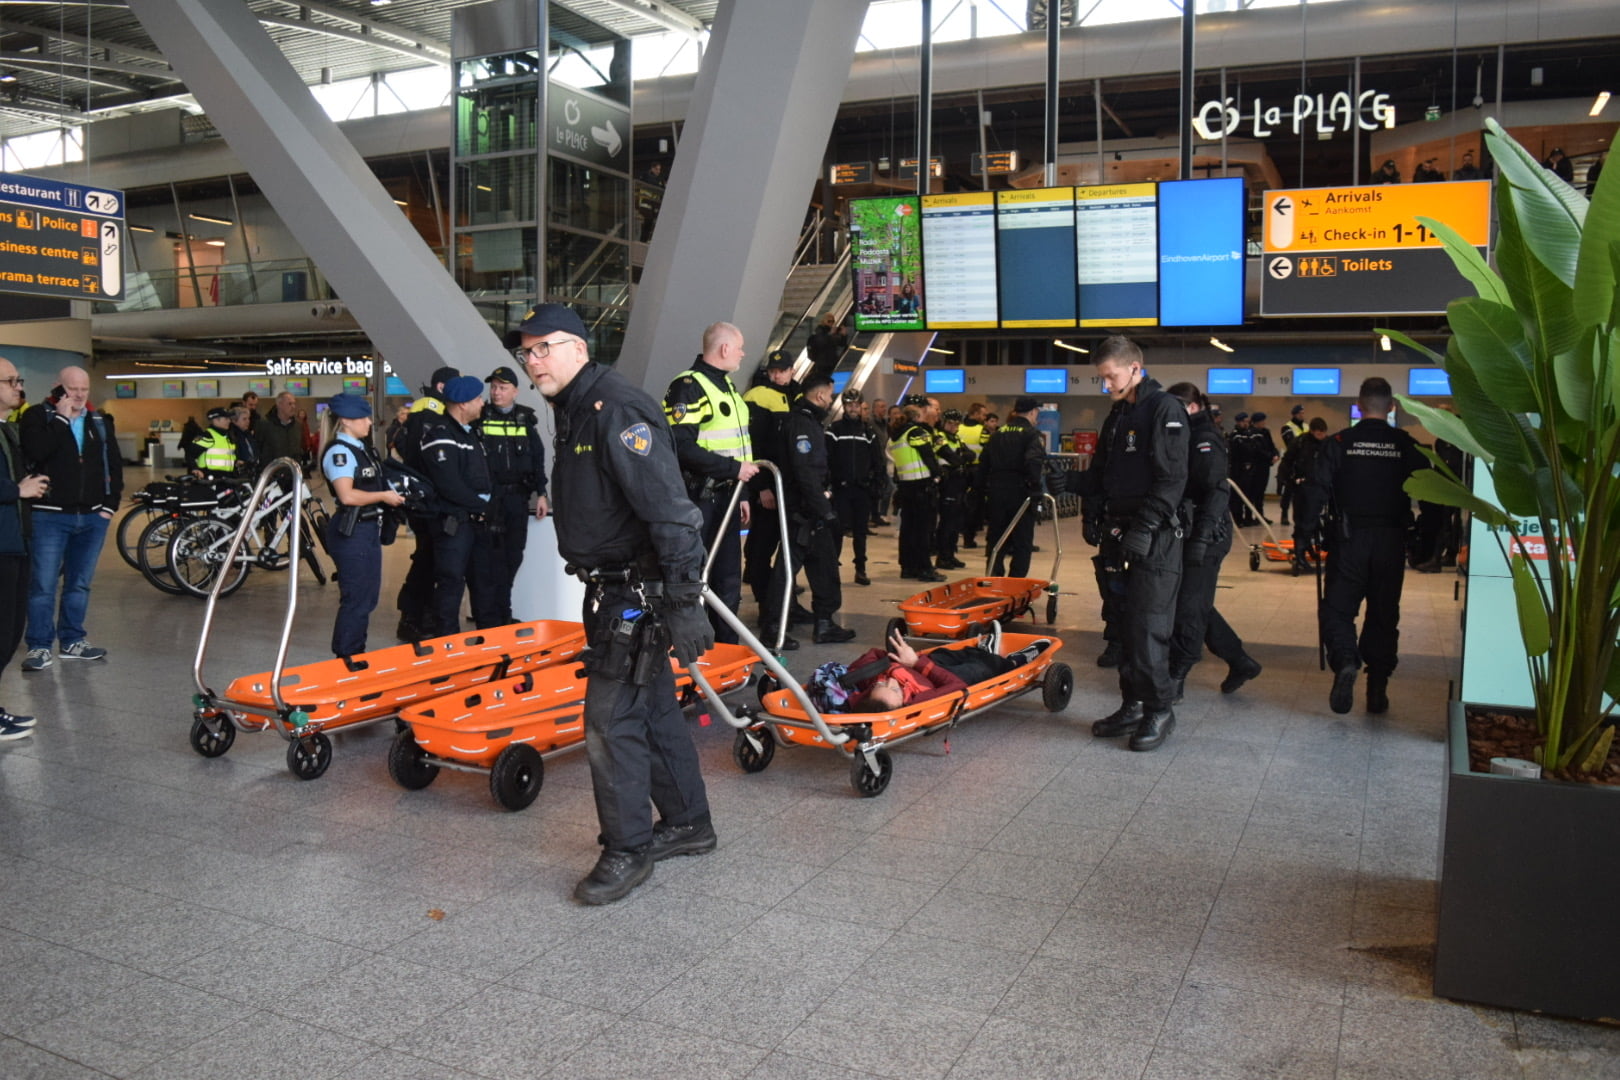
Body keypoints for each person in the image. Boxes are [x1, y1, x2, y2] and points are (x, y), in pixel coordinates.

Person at [517, 302, 716, 906]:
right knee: (651, 711)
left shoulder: (615, 408)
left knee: (607, 723)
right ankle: (688, 823)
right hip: (610, 588)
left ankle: (628, 849)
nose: (532, 360)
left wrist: (684, 599)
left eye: (544, 347)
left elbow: (671, 508)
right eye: (525, 352)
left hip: (637, 595)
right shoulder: (575, 410)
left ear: (578, 347)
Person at [1065, 336, 1188, 752]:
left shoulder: (1164, 409)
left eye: (1110, 377)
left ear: (1135, 368)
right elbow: (1102, 472)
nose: (1105, 385)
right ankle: (1132, 704)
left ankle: (1159, 710)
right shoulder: (1118, 413)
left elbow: (1172, 478)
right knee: (1122, 623)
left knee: (1148, 625)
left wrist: (1147, 524)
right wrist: (1081, 498)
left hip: (1154, 537)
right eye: (1101, 378)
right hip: (1119, 533)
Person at [1309, 377, 1429, 715]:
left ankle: (1347, 660)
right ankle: (1377, 689)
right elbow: (1432, 494)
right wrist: (1430, 541)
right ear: (1392, 407)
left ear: (1359, 406)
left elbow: (1316, 489)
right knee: (1383, 615)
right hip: (1391, 541)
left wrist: (1305, 533)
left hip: (1348, 540)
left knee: (1337, 609)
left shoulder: (1340, 442)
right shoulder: (1406, 444)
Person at [19, 366, 122, 672]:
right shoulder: (38, 417)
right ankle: (39, 646)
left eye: (84, 389)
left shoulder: (99, 421)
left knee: (79, 584)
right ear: (58, 388)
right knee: (43, 585)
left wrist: (110, 506)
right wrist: (62, 420)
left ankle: (72, 640)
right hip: (50, 517)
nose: (78, 395)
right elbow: (37, 451)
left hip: (92, 517)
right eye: (72, 389)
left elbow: (113, 464)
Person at [1163, 383, 1262, 702]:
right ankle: (1240, 661)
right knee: (1194, 601)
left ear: (1192, 407)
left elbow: (1217, 490)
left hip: (1207, 534)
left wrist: (1203, 537)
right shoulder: (1185, 434)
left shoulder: (1204, 438)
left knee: (1189, 605)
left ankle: (1178, 672)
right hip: (1191, 531)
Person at [663, 323, 758, 644]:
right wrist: (733, 470)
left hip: (727, 497)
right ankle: (697, 653)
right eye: (740, 347)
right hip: (699, 498)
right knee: (696, 577)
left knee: (729, 578)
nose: (744, 353)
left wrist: (741, 491)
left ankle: (727, 652)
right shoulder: (689, 386)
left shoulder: (727, 387)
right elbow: (681, 446)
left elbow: (738, 444)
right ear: (725, 349)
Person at [763, 374, 854, 644]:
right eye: (831, 393)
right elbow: (805, 472)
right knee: (786, 571)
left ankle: (824, 623)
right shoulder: (801, 424)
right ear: (820, 396)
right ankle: (772, 628)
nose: (832, 398)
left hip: (810, 510)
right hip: (802, 511)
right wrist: (824, 509)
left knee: (824, 565)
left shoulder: (809, 421)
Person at [319, 394, 405, 658]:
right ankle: (347, 656)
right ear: (345, 420)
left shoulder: (362, 449)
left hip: (367, 530)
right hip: (352, 531)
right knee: (356, 598)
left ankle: (356, 651)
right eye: (363, 417)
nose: (369, 422)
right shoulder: (340, 453)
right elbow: (347, 495)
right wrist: (383, 497)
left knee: (367, 597)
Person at [474, 365, 549, 628]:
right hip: (490, 500)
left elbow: (538, 459)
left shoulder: (525, 420)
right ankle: (488, 619)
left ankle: (503, 612)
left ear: (515, 391)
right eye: (493, 387)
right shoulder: (480, 418)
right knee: (488, 560)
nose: (496, 392)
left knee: (513, 555)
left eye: (502, 388)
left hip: (517, 499)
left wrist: (542, 493)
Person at [394, 365, 460, 641]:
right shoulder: (429, 412)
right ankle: (412, 616)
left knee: (429, 558)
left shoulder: (424, 411)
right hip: (426, 500)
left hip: (427, 498)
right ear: (443, 387)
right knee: (426, 559)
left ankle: (420, 614)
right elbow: (425, 459)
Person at [846, 626, 1051, 711]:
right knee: (979, 669)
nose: (892, 682)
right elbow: (957, 686)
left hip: (924, 663)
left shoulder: (866, 681)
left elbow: (873, 654)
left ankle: (986, 650)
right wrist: (917, 664)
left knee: (948, 653)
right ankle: (1015, 661)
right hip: (942, 677)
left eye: (882, 684)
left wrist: (891, 664)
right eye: (896, 690)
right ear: (903, 702)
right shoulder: (919, 700)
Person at [0, 358, 45, 735]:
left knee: (12, 630)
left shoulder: (9, 429)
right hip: (2, 543)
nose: (19, 387)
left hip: (16, 540)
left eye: (18, 379)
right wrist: (17, 489)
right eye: (10, 381)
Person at [741, 350, 797, 616]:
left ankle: (787, 604)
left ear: (791, 371)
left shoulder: (796, 396)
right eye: (773, 370)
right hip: (769, 486)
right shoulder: (757, 396)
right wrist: (762, 486)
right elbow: (754, 445)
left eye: (782, 370)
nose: (777, 374)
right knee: (762, 546)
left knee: (789, 548)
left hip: (791, 487)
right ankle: (767, 606)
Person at [979, 396, 1046, 578]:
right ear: (1033, 412)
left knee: (996, 539)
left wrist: (981, 492)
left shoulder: (997, 434)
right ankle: (1016, 584)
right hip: (1021, 493)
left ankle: (994, 580)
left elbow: (983, 464)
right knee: (1022, 541)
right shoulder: (1031, 434)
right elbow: (1033, 462)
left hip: (997, 492)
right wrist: (1036, 490)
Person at [827, 389, 878, 586]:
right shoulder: (835, 429)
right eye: (849, 405)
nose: (853, 408)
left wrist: (876, 482)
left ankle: (861, 569)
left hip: (862, 489)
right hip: (841, 489)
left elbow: (877, 460)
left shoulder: (867, 431)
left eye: (856, 405)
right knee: (837, 530)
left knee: (860, 532)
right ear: (844, 406)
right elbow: (827, 458)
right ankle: (833, 569)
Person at [892, 395, 941, 581]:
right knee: (923, 530)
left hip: (906, 486)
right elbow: (928, 457)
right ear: (919, 413)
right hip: (921, 486)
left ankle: (908, 567)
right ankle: (924, 568)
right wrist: (937, 474)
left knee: (908, 529)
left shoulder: (897, 433)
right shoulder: (916, 432)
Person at [1284, 417, 1331, 568]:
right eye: (1318, 434)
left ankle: (1308, 548)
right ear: (1312, 431)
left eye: (1323, 433)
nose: (1321, 436)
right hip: (1303, 487)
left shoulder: (1328, 444)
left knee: (1314, 520)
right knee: (1303, 520)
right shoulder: (1301, 443)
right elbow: (1287, 461)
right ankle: (1300, 552)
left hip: (1321, 488)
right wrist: (1288, 481)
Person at [931, 409, 972, 571]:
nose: (953, 427)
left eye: (956, 424)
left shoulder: (956, 439)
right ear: (943, 422)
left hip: (958, 483)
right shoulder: (939, 437)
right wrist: (962, 458)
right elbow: (952, 458)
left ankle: (951, 554)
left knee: (956, 522)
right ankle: (943, 557)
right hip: (946, 483)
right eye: (950, 423)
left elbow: (970, 455)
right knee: (947, 522)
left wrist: (962, 457)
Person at [256, 391, 306, 470]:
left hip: (293, 473)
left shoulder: (298, 425)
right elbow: (258, 448)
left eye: (294, 403)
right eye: (289, 404)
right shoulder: (265, 424)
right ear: (279, 405)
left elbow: (299, 448)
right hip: (272, 473)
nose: (293, 407)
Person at [185, 407, 239, 479]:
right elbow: (189, 454)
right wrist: (195, 469)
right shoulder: (207, 436)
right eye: (226, 419)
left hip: (227, 477)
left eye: (229, 419)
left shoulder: (228, 437)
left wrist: (237, 463)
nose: (229, 421)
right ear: (216, 420)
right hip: (210, 478)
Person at [1278, 404, 1308, 525]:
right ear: (1295, 414)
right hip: (1291, 462)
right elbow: (1290, 443)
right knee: (1288, 490)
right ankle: (1284, 514)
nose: (1302, 415)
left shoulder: (1306, 426)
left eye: (1303, 413)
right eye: (1300, 413)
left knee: (1303, 491)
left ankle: (1301, 514)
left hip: (1304, 462)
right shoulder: (1287, 427)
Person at [867, 397, 892, 527]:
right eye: (882, 407)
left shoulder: (885, 424)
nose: (884, 409)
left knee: (881, 489)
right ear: (874, 408)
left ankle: (877, 514)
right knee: (879, 489)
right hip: (875, 461)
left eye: (885, 406)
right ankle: (873, 515)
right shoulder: (871, 424)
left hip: (883, 460)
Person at [805, 314, 848, 381]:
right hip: (822, 363)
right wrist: (830, 334)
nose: (831, 323)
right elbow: (820, 343)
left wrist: (843, 335)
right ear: (823, 321)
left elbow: (841, 344)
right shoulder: (819, 331)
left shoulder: (832, 332)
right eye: (829, 321)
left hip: (831, 362)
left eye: (833, 321)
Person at [230, 405, 260, 476]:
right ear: (234, 421)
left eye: (248, 419)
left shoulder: (248, 434)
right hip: (240, 472)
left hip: (252, 470)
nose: (248, 421)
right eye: (244, 419)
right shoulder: (232, 436)